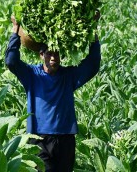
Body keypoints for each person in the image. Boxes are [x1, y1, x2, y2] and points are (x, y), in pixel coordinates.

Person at [5, 13, 101, 171]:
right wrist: (15, 29)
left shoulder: (68, 76)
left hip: (65, 139)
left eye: (56, 54)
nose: (53, 58)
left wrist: (93, 27)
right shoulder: (31, 75)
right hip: (39, 139)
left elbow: (93, 64)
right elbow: (11, 61)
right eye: (49, 53)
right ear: (41, 55)